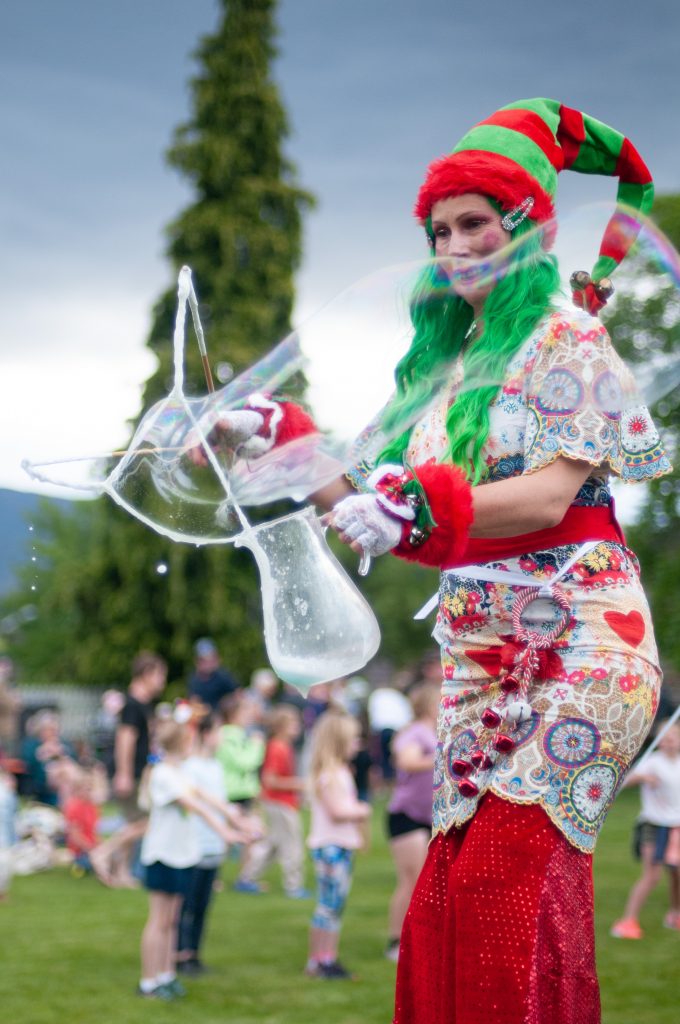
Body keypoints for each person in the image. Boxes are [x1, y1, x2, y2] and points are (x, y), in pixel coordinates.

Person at [190, 98, 667, 1022]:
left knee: (504, 888)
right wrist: (272, 435)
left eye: (474, 223)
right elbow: (362, 494)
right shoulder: (442, 372)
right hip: (483, 664)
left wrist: (406, 508)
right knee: (455, 903)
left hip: (582, 648)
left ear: (527, 225)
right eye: (439, 229)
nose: (453, 246)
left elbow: (544, 497)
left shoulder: (568, 336)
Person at [138, 716, 249, 1000]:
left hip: (182, 856)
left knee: (172, 920)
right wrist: (225, 831)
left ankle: (166, 974)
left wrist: (234, 817)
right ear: (182, 742)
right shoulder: (162, 773)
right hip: (163, 856)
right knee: (158, 920)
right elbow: (195, 806)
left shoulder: (180, 772)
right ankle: (149, 981)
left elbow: (206, 797)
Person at [176, 714, 257, 973]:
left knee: (203, 905)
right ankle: (181, 955)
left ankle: (195, 954)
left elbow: (221, 804)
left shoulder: (215, 767)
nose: (221, 739)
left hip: (214, 845)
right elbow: (198, 805)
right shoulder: (191, 767)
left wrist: (239, 823)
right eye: (218, 732)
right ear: (205, 733)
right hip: (194, 845)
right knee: (187, 905)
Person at [90, 652, 167, 887]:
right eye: (160, 675)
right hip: (129, 771)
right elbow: (125, 739)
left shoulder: (142, 704)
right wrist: (124, 774)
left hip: (138, 771)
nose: (162, 681)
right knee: (146, 823)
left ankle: (122, 872)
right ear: (147, 674)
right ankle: (102, 852)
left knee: (132, 822)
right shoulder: (132, 704)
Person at [305, 711, 371, 980]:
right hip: (330, 847)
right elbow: (337, 811)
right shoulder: (330, 775)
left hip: (341, 845)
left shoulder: (341, 771)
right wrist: (362, 809)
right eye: (353, 739)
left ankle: (326, 958)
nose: (358, 744)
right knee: (327, 905)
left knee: (335, 905)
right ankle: (320, 960)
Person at [385, 682, 439, 962]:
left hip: (429, 816)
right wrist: (444, 755)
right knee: (411, 880)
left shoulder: (435, 732)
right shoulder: (415, 732)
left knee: (425, 881)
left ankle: (419, 937)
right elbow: (408, 762)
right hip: (406, 815)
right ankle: (396, 941)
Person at [610, 721, 680, 939]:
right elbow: (624, 782)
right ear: (659, 742)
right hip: (653, 824)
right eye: (665, 739)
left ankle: (675, 914)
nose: (669, 743)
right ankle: (627, 921)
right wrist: (642, 777)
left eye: (673, 739)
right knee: (652, 875)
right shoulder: (652, 761)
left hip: (676, 826)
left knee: (676, 873)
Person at [237, 704, 310, 898]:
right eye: (293, 723)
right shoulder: (278, 747)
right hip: (279, 802)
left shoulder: (283, 747)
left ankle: (247, 877)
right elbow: (270, 780)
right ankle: (293, 885)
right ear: (280, 726)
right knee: (292, 844)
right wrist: (300, 785)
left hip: (278, 802)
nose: (298, 727)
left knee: (273, 844)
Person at [216, 690, 267, 891]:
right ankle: (214, 877)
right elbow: (244, 762)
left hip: (244, 793)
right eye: (245, 711)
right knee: (226, 838)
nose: (249, 715)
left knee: (251, 836)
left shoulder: (238, 736)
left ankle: (245, 877)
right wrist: (257, 745)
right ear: (234, 714)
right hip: (232, 794)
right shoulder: (227, 737)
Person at [188, 638, 239, 710]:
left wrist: (228, 702)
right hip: (206, 716)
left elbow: (238, 693)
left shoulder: (223, 676)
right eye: (203, 660)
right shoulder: (195, 680)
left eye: (211, 659)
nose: (208, 664)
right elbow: (194, 700)